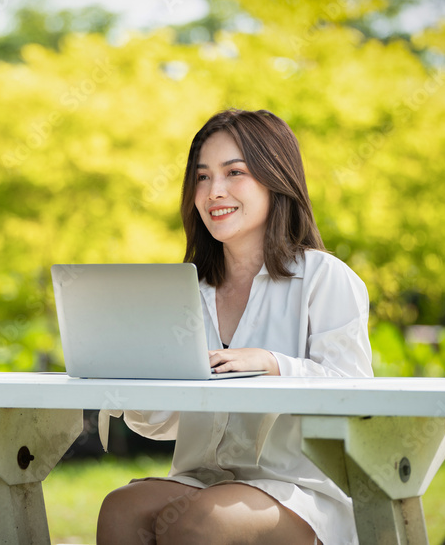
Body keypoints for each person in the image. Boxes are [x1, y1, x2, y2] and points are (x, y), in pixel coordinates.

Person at [96, 109, 374, 544]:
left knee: (207, 520)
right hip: (202, 480)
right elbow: (163, 424)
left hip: (301, 494)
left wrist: (274, 364)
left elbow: (356, 396)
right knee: (120, 508)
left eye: (234, 172)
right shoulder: (185, 290)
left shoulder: (324, 278)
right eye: (202, 177)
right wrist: (134, 383)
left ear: (274, 178)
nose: (214, 191)